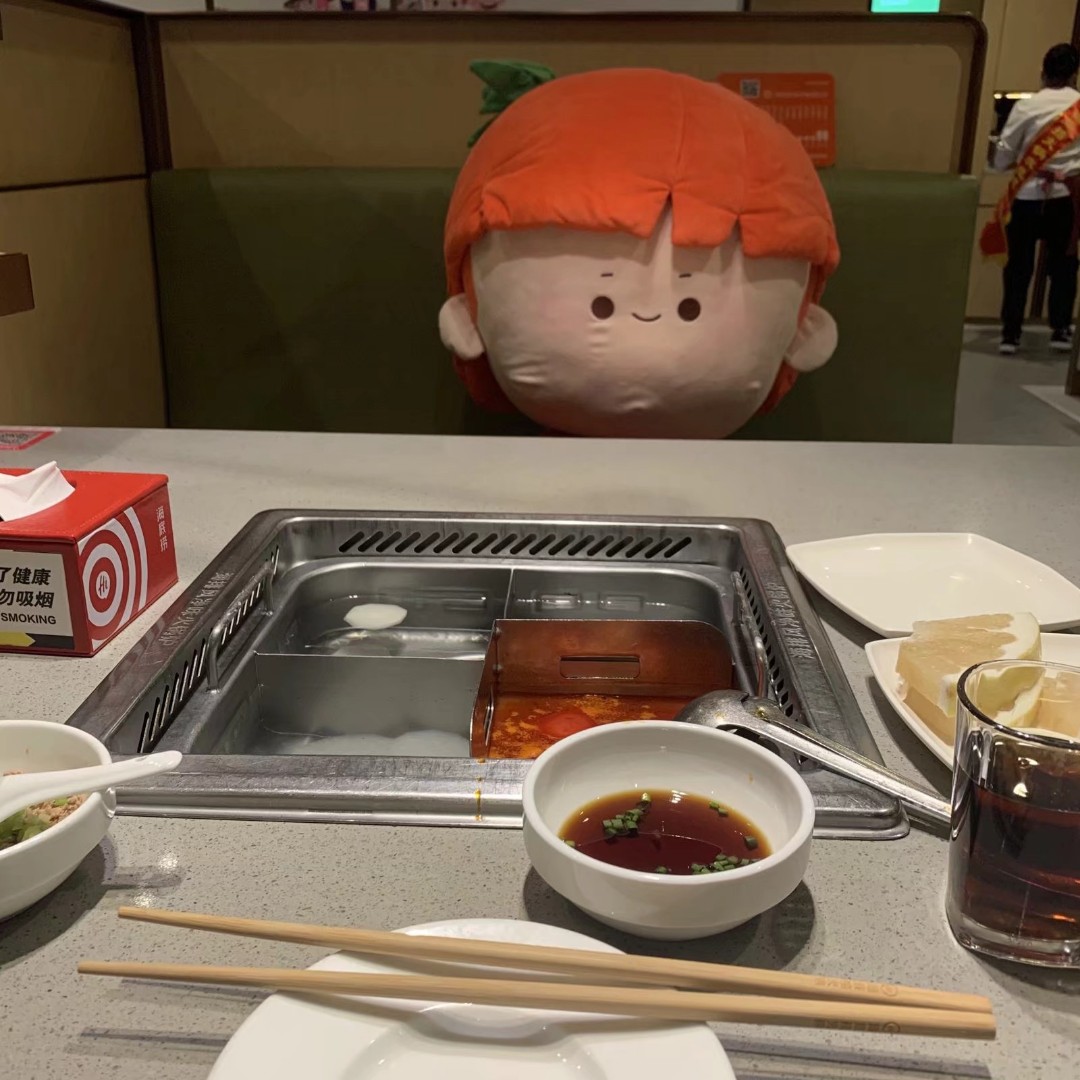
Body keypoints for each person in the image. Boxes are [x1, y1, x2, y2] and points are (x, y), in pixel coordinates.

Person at [992, 43, 1080, 355]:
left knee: (1018, 266)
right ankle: (1060, 329)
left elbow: (1004, 152)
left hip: (1028, 194)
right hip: (1067, 197)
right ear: (1074, 75)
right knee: (1064, 266)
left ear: (1043, 72)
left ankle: (1010, 334)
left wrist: (1005, 164)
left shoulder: (1027, 107)